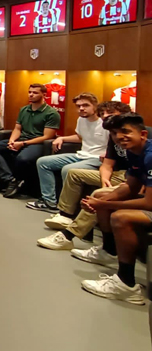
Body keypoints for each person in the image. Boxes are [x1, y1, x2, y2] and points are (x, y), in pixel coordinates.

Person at [37, 101, 135, 250]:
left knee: (99, 194)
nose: (106, 117)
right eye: (103, 114)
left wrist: (130, 184)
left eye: (111, 114)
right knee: (74, 173)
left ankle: (68, 236)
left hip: (134, 180)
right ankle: (65, 215)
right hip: (120, 175)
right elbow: (107, 165)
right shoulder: (114, 135)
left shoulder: (139, 134)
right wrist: (105, 180)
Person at [75, 114, 151, 305]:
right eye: (115, 134)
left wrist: (105, 205)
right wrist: (98, 201)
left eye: (125, 131)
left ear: (142, 134)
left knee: (120, 217)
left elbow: (149, 204)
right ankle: (108, 251)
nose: (120, 137)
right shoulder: (134, 151)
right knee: (101, 196)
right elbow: (131, 187)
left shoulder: (150, 155)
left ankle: (126, 284)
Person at [27, 93, 108, 212]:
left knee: (68, 169)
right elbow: (80, 137)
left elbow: (116, 143)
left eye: (85, 105)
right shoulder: (81, 119)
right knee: (43, 162)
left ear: (95, 106)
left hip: (97, 159)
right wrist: (62, 138)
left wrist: (108, 154)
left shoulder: (105, 122)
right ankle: (49, 202)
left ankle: (68, 208)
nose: (81, 108)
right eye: (78, 106)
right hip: (82, 154)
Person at [0, 83, 59, 198]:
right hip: (21, 140)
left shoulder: (51, 113)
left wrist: (23, 143)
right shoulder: (24, 110)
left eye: (35, 93)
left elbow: (47, 137)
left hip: (37, 143)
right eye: (30, 92)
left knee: (22, 158)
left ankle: (11, 181)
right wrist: (11, 141)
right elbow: (17, 128)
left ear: (44, 95)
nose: (31, 95)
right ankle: (10, 180)